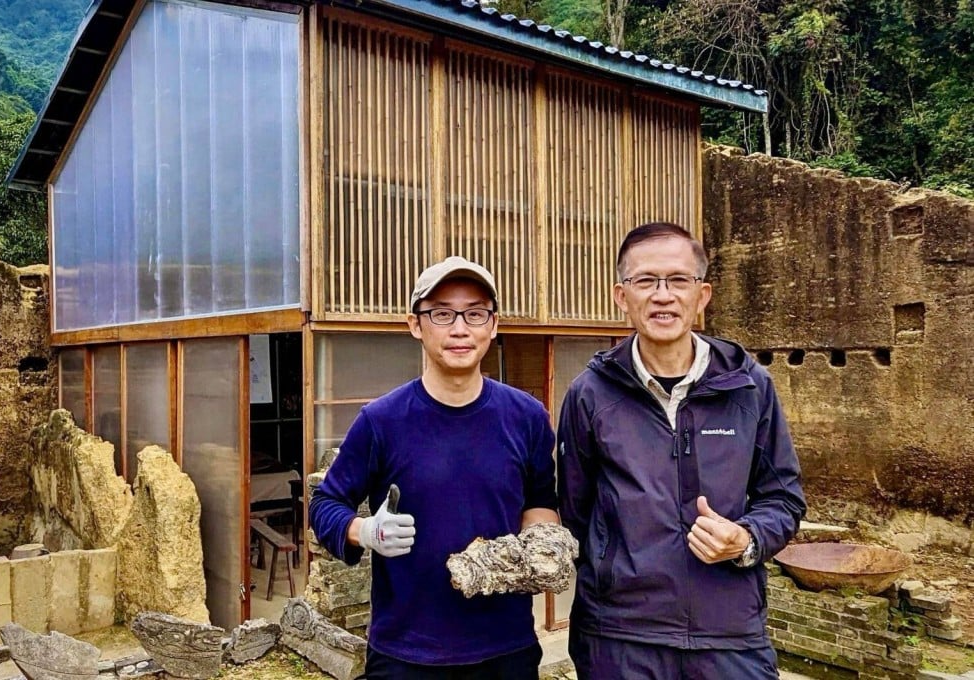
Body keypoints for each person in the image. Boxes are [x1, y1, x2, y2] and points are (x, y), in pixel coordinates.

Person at [557, 222, 806, 679]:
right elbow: (576, 511)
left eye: (677, 280)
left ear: (702, 294)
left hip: (730, 633)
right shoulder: (590, 394)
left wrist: (746, 539)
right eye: (645, 281)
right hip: (619, 637)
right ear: (621, 296)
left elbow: (783, 498)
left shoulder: (749, 387)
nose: (663, 296)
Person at [309, 256, 559, 680]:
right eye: (442, 314)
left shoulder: (527, 417)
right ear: (415, 324)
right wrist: (364, 531)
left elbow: (540, 503)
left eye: (475, 313)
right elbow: (325, 503)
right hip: (406, 651)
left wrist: (540, 547)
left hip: (507, 647)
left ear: (493, 325)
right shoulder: (381, 421)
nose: (460, 328)